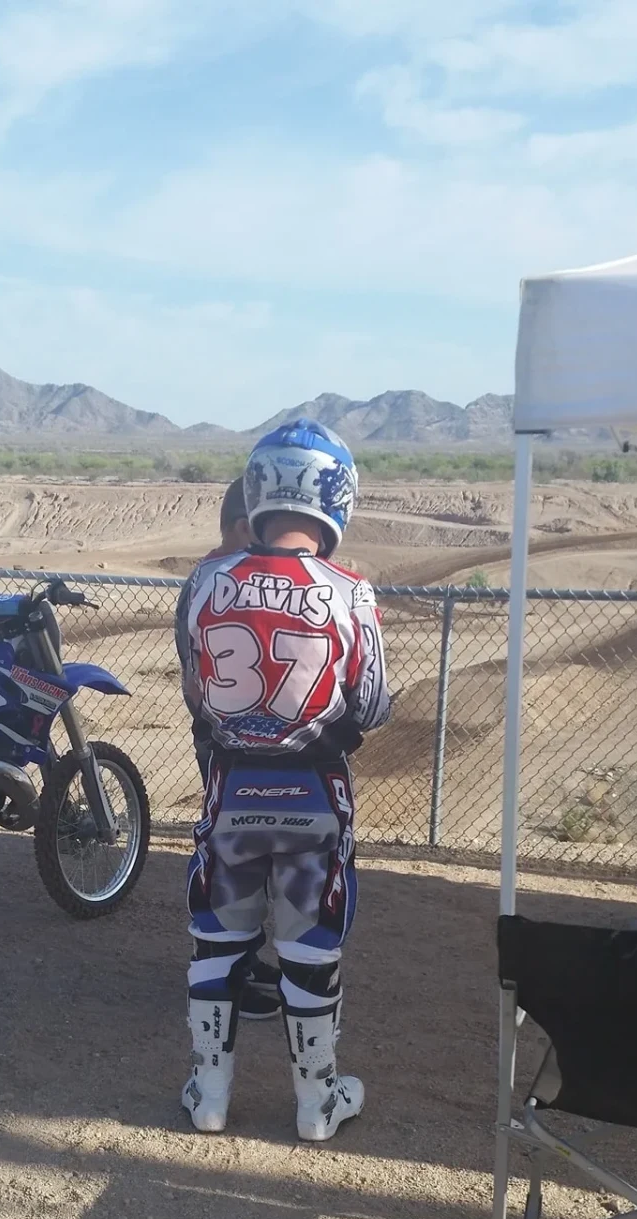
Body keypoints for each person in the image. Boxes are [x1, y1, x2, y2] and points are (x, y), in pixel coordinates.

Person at [175, 418, 390, 1141]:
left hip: (230, 787)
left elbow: (194, 688)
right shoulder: (352, 593)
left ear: (261, 489)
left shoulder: (205, 580)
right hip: (316, 792)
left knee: (216, 943)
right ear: (337, 496)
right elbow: (372, 705)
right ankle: (316, 1104)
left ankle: (209, 1097)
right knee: (311, 949)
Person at [176, 475, 281, 1023]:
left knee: (248, 853)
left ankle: (242, 959)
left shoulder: (208, 580)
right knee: (237, 856)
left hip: (228, 741)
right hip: (226, 745)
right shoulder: (215, 580)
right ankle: (230, 970)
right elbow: (198, 677)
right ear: (244, 526)